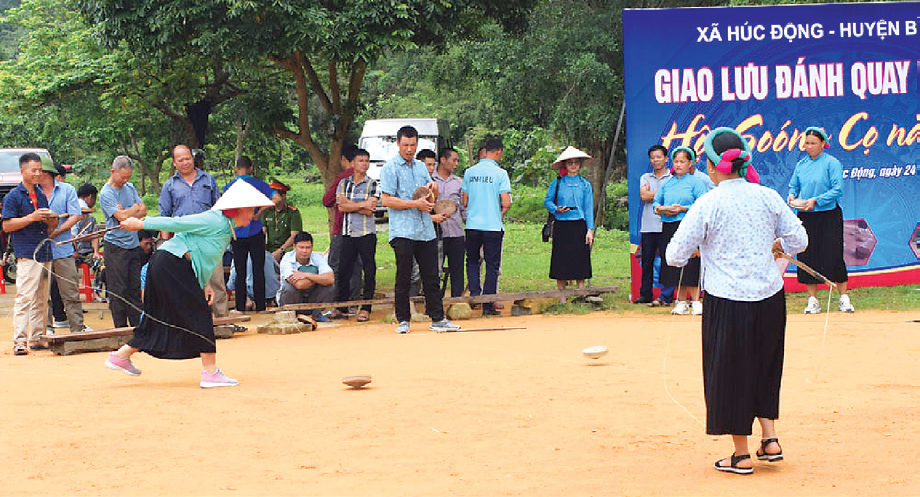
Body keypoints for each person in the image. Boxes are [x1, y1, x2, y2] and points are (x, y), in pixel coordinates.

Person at [666, 126, 807, 475]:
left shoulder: (708, 202)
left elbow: (674, 255)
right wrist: (779, 247)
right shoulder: (768, 196)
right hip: (769, 297)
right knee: (765, 365)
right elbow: (799, 240)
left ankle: (741, 455)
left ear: (713, 167)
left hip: (728, 300)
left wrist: (701, 248)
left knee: (729, 373)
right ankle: (770, 439)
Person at [104, 180, 273, 387]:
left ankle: (120, 356)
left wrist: (204, 284)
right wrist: (141, 224)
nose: (252, 214)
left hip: (170, 265)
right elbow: (178, 224)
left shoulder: (226, 228)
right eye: (249, 209)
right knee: (199, 312)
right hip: (171, 264)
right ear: (237, 210)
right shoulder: (215, 219)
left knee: (159, 315)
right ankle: (210, 372)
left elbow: (200, 256)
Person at [380, 125, 460, 334]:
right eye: (405, 144)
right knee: (404, 277)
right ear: (398, 144)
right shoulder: (390, 168)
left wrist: (432, 189)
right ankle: (403, 320)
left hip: (425, 230)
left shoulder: (420, 167)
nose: (409, 149)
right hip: (403, 231)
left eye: (413, 144)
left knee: (432, 276)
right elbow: (386, 200)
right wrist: (414, 204)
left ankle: (438, 319)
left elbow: (429, 194)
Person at [159, 145, 232, 331]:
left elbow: (219, 209)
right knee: (188, 282)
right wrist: (166, 245)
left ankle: (223, 322)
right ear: (174, 163)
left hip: (209, 239)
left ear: (193, 159)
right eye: (180, 160)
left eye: (187, 158)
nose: (185, 162)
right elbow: (164, 217)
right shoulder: (169, 186)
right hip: (184, 242)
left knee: (215, 280)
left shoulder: (208, 179)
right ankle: (193, 326)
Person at [787, 127, 854, 314]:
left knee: (833, 254)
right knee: (807, 255)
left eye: (812, 143)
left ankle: (843, 298)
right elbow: (794, 185)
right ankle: (812, 300)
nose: (808, 147)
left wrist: (816, 200)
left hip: (829, 215)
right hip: (806, 216)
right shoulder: (801, 165)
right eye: (806, 143)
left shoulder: (832, 163)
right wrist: (792, 196)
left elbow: (837, 189)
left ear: (823, 144)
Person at [2, 153, 58, 355]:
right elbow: (7, 225)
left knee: (42, 298)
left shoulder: (41, 194)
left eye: (39, 170)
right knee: (25, 297)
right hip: (27, 252)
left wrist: (51, 220)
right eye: (33, 170)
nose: (37, 174)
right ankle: (19, 340)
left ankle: (37, 337)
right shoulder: (13, 197)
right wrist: (32, 217)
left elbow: (48, 225)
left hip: (44, 249)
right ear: (22, 171)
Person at [654, 146, 708, 315]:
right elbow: (656, 203)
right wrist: (662, 209)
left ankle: (696, 301)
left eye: (682, 161)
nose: (678, 165)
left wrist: (683, 209)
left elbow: (703, 205)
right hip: (669, 226)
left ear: (690, 163)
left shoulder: (696, 182)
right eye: (676, 161)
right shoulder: (667, 183)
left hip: (689, 226)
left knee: (691, 263)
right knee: (675, 262)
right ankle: (681, 301)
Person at [39, 161, 90, 334]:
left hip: (62, 248)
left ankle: (77, 328)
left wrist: (57, 230)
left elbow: (75, 215)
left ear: (47, 173)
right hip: (40, 250)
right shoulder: (32, 191)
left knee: (70, 291)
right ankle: (45, 329)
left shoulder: (67, 190)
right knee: (42, 294)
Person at [462, 138, 511, 315]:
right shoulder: (500, 174)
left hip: (473, 225)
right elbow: (506, 201)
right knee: (492, 264)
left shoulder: (469, 172)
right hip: (492, 225)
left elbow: (465, 200)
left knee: (472, 260)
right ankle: (488, 305)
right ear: (498, 152)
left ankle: (475, 295)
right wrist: (500, 213)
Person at [100, 156, 146, 328]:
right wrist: (133, 209)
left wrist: (129, 211)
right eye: (122, 177)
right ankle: (120, 328)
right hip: (115, 247)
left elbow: (143, 210)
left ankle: (137, 326)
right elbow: (121, 218)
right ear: (113, 172)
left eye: (128, 177)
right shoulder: (106, 193)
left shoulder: (130, 187)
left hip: (133, 245)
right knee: (118, 290)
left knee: (134, 288)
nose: (125, 181)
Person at [223, 156, 275, 312]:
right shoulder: (258, 184)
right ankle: (261, 306)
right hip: (256, 231)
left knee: (240, 272)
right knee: (258, 270)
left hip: (238, 233)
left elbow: (225, 209)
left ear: (236, 169)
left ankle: (240, 307)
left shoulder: (229, 187)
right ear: (251, 168)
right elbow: (275, 198)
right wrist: (258, 212)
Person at [333, 148, 379, 322]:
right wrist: (362, 205)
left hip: (367, 233)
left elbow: (371, 208)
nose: (364, 164)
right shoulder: (343, 183)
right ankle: (341, 307)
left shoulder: (372, 183)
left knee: (368, 270)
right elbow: (341, 207)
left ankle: (366, 307)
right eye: (361, 160)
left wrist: (350, 204)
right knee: (344, 270)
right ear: (352, 163)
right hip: (348, 232)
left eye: (367, 161)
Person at [544, 145, 595, 298]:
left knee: (580, 259)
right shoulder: (558, 183)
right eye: (570, 163)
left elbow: (588, 208)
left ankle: (581, 293)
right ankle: (562, 296)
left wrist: (590, 230)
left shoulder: (585, 184)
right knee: (561, 259)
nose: (573, 165)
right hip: (562, 225)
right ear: (565, 165)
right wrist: (556, 209)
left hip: (579, 224)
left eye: (576, 162)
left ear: (580, 165)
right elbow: (547, 201)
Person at [323, 144, 363, 301]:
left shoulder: (343, 178)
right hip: (361, 230)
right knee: (356, 267)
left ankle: (337, 302)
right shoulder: (366, 179)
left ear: (344, 159)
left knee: (336, 266)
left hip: (341, 228)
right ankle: (353, 301)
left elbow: (327, 200)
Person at [635, 145, 674, 306]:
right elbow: (644, 196)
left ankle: (666, 295)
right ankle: (645, 294)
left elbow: (672, 197)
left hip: (667, 224)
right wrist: (661, 194)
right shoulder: (645, 177)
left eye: (659, 157)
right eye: (652, 157)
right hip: (648, 226)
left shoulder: (673, 178)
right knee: (647, 262)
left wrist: (654, 194)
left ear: (666, 158)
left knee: (667, 261)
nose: (655, 160)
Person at [277, 232, 336, 322]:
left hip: (311, 298)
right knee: (288, 288)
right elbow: (299, 285)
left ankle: (317, 314)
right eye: (301, 247)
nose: (304, 251)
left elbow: (331, 279)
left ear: (312, 248)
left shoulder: (317, 257)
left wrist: (306, 275)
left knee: (329, 287)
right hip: (293, 300)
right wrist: (319, 278)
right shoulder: (287, 259)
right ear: (294, 247)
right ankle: (291, 315)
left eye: (308, 247)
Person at [432, 147, 465, 297]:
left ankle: (457, 300)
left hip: (456, 231)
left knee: (457, 269)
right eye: (454, 160)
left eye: (458, 160)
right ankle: (434, 301)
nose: (456, 163)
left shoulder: (459, 182)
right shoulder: (430, 181)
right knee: (434, 269)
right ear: (443, 160)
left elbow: (464, 207)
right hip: (437, 233)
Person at [263, 181, 302, 262]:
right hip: (270, 247)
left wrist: (280, 251)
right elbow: (262, 232)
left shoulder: (292, 212)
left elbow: (294, 235)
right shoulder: (266, 211)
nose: (270, 198)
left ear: (283, 196)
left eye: (273, 195)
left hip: (287, 248)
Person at [73, 183, 101, 263]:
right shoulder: (76, 215)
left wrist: (96, 252)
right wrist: (75, 251)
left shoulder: (91, 218)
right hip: (77, 252)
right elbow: (73, 236)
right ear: (90, 197)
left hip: (87, 251)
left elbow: (95, 235)